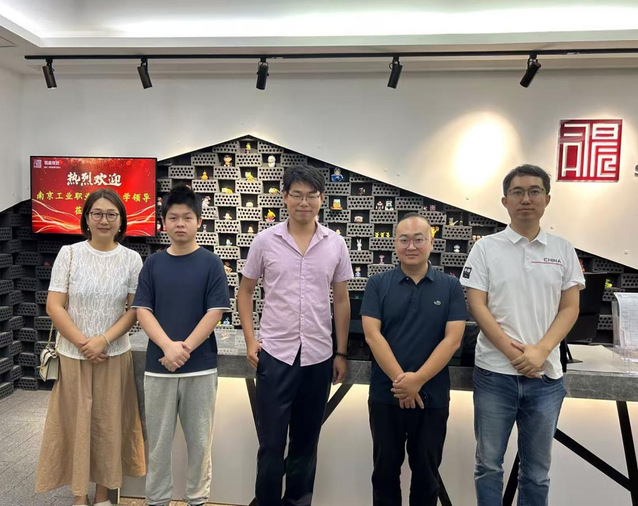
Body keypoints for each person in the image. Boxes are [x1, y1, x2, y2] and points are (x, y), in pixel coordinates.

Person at [460, 164, 585, 505]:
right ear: (505, 201)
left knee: (537, 471)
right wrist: (514, 353)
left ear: (547, 199)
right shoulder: (486, 248)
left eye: (534, 191)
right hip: (494, 374)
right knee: (488, 465)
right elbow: (476, 305)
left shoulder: (562, 250)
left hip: (545, 378)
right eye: (517, 192)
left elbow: (570, 308)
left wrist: (540, 351)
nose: (525, 199)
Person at [237, 165, 353, 506]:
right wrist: (250, 340)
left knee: (305, 444)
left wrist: (341, 352)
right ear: (285, 197)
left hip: (318, 357)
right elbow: (245, 292)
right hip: (275, 355)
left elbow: (342, 300)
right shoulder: (265, 241)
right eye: (297, 195)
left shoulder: (335, 244)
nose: (304, 202)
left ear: (322, 199)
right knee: (271, 444)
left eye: (311, 195)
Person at [35, 189, 146, 506]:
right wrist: (84, 343)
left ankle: (102, 495)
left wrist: (104, 340)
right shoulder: (69, 254)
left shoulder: (131, 259)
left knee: (108, 424)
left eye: (111, 214)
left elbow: (134, 310)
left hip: (114, 355)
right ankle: (79, 495)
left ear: (121, 221)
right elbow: (55, 305)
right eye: (97, 213)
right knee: (76, 424)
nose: (104, 220)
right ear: (86, 218)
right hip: (74, 355)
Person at [133, 185, 230, 506]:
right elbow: (143, 310)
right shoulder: (153, 264)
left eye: (187, 217)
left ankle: (197, 499)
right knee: (158, 444)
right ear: (163, 222)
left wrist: (182, 349)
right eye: (173, 217)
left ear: (199, 221)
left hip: (200, 369)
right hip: (158, 369)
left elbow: (214, 313)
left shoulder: (211, 263)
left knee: (200, 444)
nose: (180, 223)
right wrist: (167, 347)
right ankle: (157, 500)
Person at [361, 213, 467, 506]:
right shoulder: (377, 284)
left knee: (427, 478)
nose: (411, 246)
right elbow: (372, 335)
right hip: (386, 395)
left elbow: (453, 340)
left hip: (432, 397)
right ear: (394, 243)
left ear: (431, 242)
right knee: (384, 474)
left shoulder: (450, 287)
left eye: (419, 239)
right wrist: (403, 383)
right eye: (404, 240)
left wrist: (417, 381)